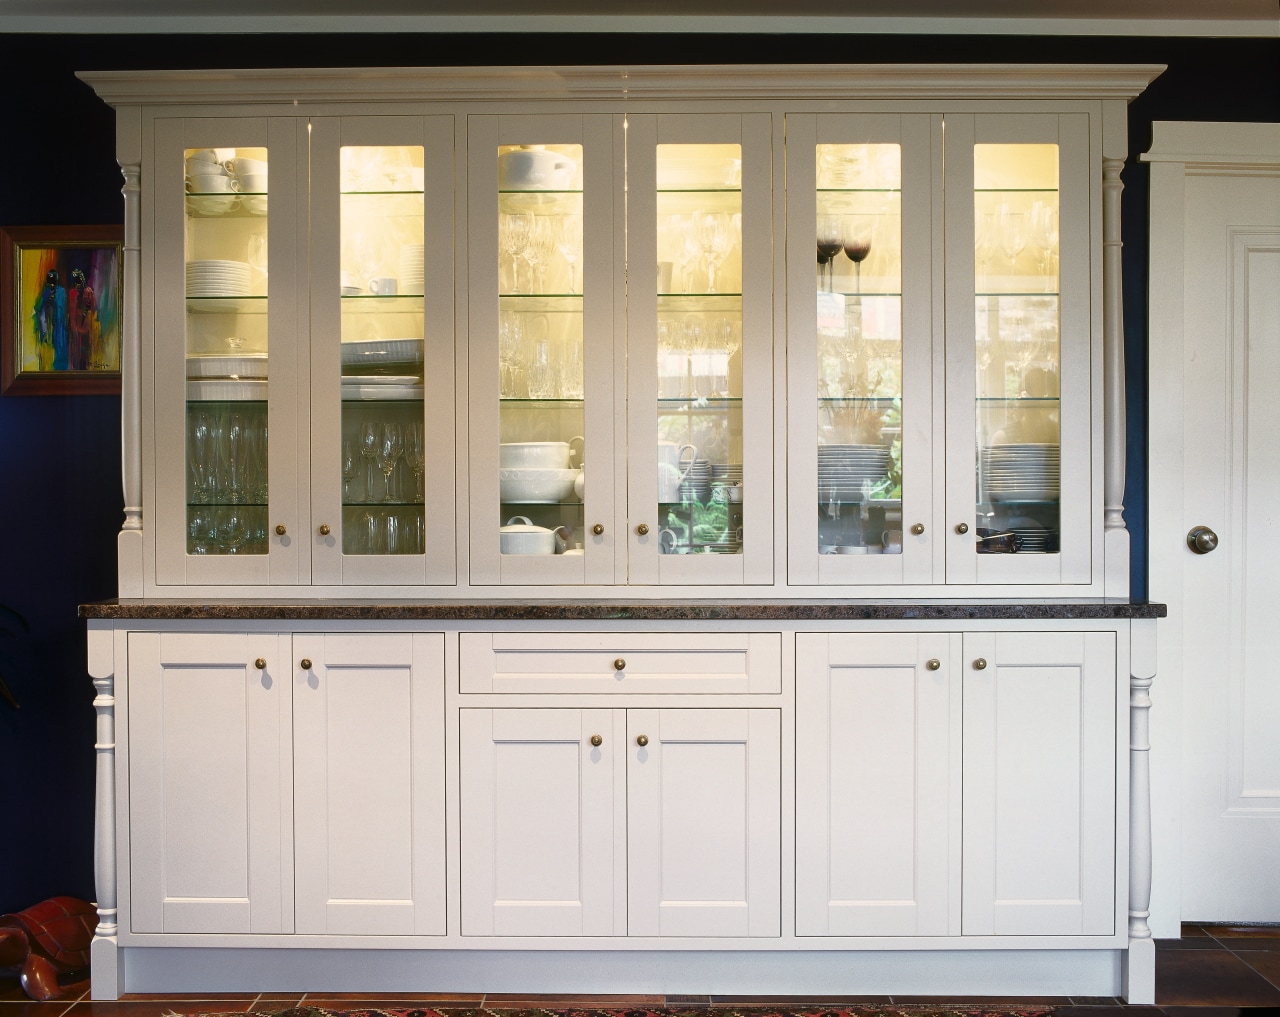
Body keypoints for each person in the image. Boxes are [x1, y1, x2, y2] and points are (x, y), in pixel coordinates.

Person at [32, 268, 68, 371]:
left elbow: (62, 307)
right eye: (50, 279)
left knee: (59, 348)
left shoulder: (61, 291)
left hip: (58, 323)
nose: (52, 283)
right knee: (48, 347)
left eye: (53, 279)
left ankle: (59, 367)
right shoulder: (46, 292)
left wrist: (54, 301)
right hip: (48, 325)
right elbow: (39, 308)